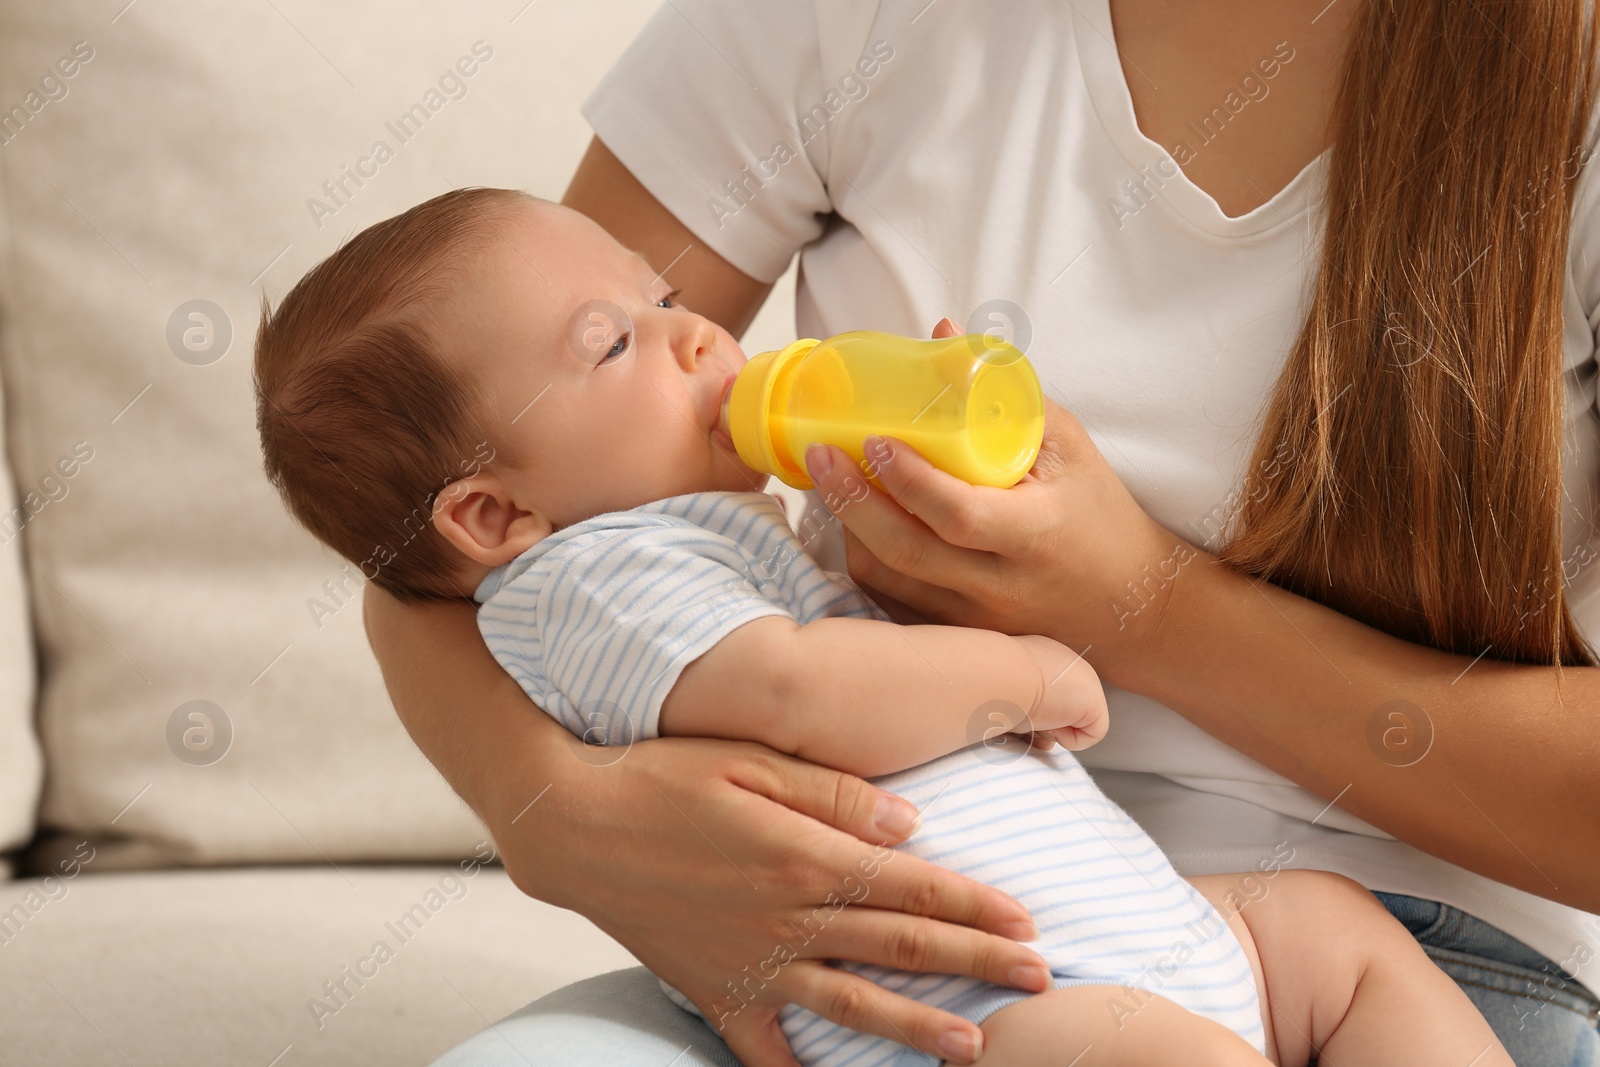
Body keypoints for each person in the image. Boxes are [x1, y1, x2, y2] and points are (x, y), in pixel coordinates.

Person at [362, 1, 1600, 1065]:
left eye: (677, 305)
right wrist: (556, 816)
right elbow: (448, 518)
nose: (688, 332)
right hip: (870, 923)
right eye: (649, 319)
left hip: (1411, 941)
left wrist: (1142, 609)